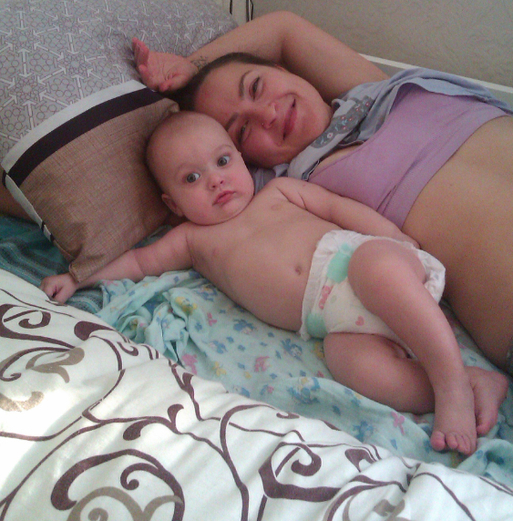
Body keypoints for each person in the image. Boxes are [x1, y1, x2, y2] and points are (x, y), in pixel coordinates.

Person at [41, 111, 508, 457]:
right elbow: (140, 261)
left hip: (364, 265)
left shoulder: (279, 192)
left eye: (223, 161)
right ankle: (470, 382)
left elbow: (338, 209)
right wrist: (77, 278)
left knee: (375, 269)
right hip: (335, 324)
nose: (216, 181)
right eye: (192, 178)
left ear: (242, 160)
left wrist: (395, 239)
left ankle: (448, 384)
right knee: (354, 367)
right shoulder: (191, 241)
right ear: (174, 204)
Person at [129, 11, 513, 377]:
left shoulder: (376, 90)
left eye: (257, 86)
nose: (267, 114)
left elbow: (283, 28)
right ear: (244, 159)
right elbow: (188, 186)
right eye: (242, 131)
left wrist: (193, 66)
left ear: (282, 69)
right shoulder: (290, 188)